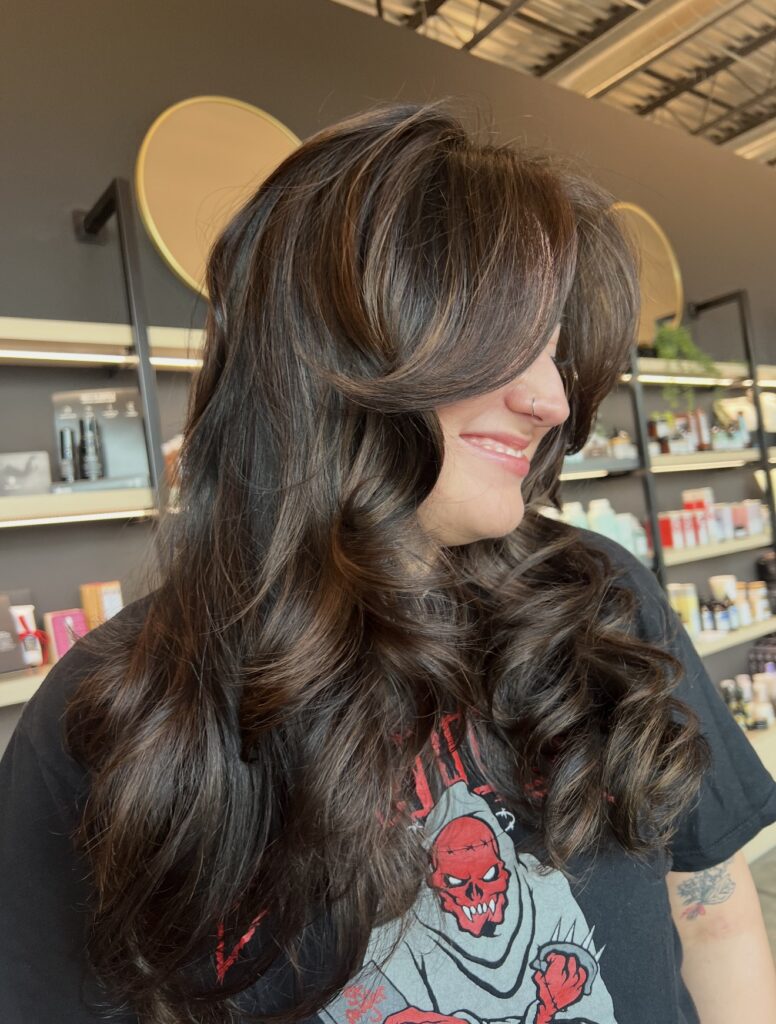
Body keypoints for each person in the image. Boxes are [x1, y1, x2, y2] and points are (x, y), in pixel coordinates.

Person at [1, 101, 775, 1024]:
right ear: (334, 343)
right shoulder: (113, 715)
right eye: (499, 341)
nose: (551, 400)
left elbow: (716, 922)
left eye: (556, 350)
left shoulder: (600, 598)